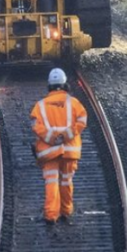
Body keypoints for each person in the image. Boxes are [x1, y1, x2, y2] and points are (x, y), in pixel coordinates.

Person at [30, 67, 88, 224]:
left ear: (49, 85)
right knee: (66, 182)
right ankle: (66, 211)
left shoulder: (40, 106)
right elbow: (82, 121)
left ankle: (50, 215)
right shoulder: (74, 103)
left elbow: (35, 125)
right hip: (69, 151)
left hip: (49, 152)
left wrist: (52, 138)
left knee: (51, 182)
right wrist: (66, 136)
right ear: (65, 85)